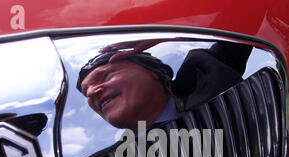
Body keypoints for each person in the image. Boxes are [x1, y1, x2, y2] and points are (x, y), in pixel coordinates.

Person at [77, 39, 251, 131]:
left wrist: (172, 32)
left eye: (105, 76)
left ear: (153, 71)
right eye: (86, 93)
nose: (92, 92)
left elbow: (248, 14)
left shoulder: (204, 71)